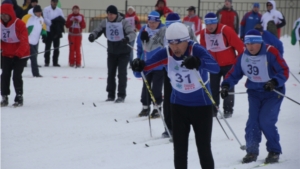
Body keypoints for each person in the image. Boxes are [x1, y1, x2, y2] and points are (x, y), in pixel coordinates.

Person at [131, 22, 219, 169]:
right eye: (171, 43)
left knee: (203, 149)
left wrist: (198, 62)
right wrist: (138, 65)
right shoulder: (166, 53)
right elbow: (143, 70)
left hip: (202, 107)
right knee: (179, 151)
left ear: (187, 40)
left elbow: (215, 68)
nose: (175, 48)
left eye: (178, 43)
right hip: (178, 107)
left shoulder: (196, 50)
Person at [220, 29, 289, 164]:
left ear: (260, 43)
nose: (250, 46)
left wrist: (274, 82)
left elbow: (284, 70)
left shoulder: (271, 52)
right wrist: (226, 86)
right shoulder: (243, 56)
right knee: (252, 122)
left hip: (273, 93)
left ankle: (274, 150)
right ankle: (251, 151)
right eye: (247, 43)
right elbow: (234, 73)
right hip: (254, 93)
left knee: (266, 121)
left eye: (253, 43)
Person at [145, 12, 198, 138]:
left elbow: (196, 46)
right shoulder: (163, 31)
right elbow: (149, 46)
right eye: (169, 26)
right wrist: (145, 38)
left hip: (186, 68)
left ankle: (188, 124)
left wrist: (194, 60)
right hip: (169, 69)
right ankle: (169, 127)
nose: (172, 30)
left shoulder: (187, 30)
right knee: (169, 98)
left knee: (186, 96)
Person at [88, 5, 136, 103]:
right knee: (111, 74)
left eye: (112, 14)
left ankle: (121, 95)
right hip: (112, 53)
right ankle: (110, 95)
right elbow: (98, 30)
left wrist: (127, 38)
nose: (110, 16)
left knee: (122, 74)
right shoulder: (105, 22)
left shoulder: (123, 22)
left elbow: (132, 33)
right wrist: (93, 35)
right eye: (108, 14)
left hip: (124, 53)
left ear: (116, 14)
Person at [200, 12, 244, 118]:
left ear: (216, 22)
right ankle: (213, 109)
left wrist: (239, 62)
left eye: (212, 23)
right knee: (213, 88)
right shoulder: (203, 33)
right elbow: (202, 49)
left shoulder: (226, 30)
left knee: (227, 86)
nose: (210, 26)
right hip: (214, 65)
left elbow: (240, 47)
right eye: (207, 24)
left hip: (229, 64)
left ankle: (228, 110)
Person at [136, 11, 165, 118]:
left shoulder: (163, 30)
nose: (152, 24)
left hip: (159, 64)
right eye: (150, 22)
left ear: (158, 22)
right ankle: (145, 106)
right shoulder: (144, 29)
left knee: (156, 87)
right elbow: (139, 46)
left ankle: (157, 107)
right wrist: (138, 59)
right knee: (146, 86)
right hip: (146, 63)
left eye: (154, 22)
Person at [1, 3, 30, 107]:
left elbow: (24, 42)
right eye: (1, 14)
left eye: (5, 14)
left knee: (16, 76)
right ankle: (4, 97)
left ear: (10, 14)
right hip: (6, 54)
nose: (3, 16)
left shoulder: (20, 24)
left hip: (20, 55)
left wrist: (18, 54)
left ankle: (19, 97)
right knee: (4, 76)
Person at [22, 5, 47, 77]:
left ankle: (16, 66)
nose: (39, 13)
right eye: (37, 12)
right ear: (34, 12)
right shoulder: (28, 18)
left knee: (28, 56)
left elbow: (43, 27)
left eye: (40, 12)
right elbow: (21, 26)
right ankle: (36, 73)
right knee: (33, 56)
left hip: (36, 41)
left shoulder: (41, 19)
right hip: (28, 41)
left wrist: (44, 34)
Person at [43, 0, 65, 67]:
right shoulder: (46, 9)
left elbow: (62, 19)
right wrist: (52, 23)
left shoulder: (59, 10)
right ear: (51, 2)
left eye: (56, 2)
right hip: (49, 30)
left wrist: (56, 24)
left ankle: (55, 62)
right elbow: (45, 19)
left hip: (56, 31)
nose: (54, 3)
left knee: (56, 47)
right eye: (53, 2)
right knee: (47, 47)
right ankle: (47, 62)